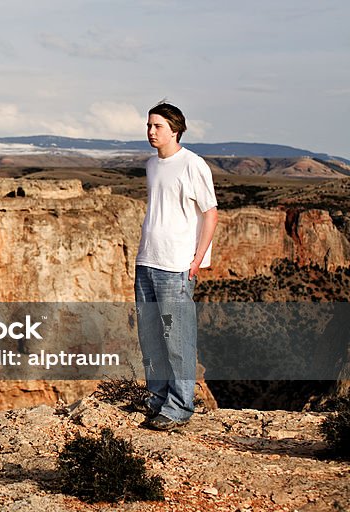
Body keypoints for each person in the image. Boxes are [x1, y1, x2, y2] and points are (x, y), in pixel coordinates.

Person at [135, 102, 218, 431]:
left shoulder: (192, 165)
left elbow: (211, 212)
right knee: (150, 334)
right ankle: (157, 398)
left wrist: (197, 259)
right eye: (149, 125)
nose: (151, 132)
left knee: (177, 338)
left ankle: (181, 406)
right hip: (147, 260)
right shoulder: (151, 165)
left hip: (175, 265)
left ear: (175, 129)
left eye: (157, 126)